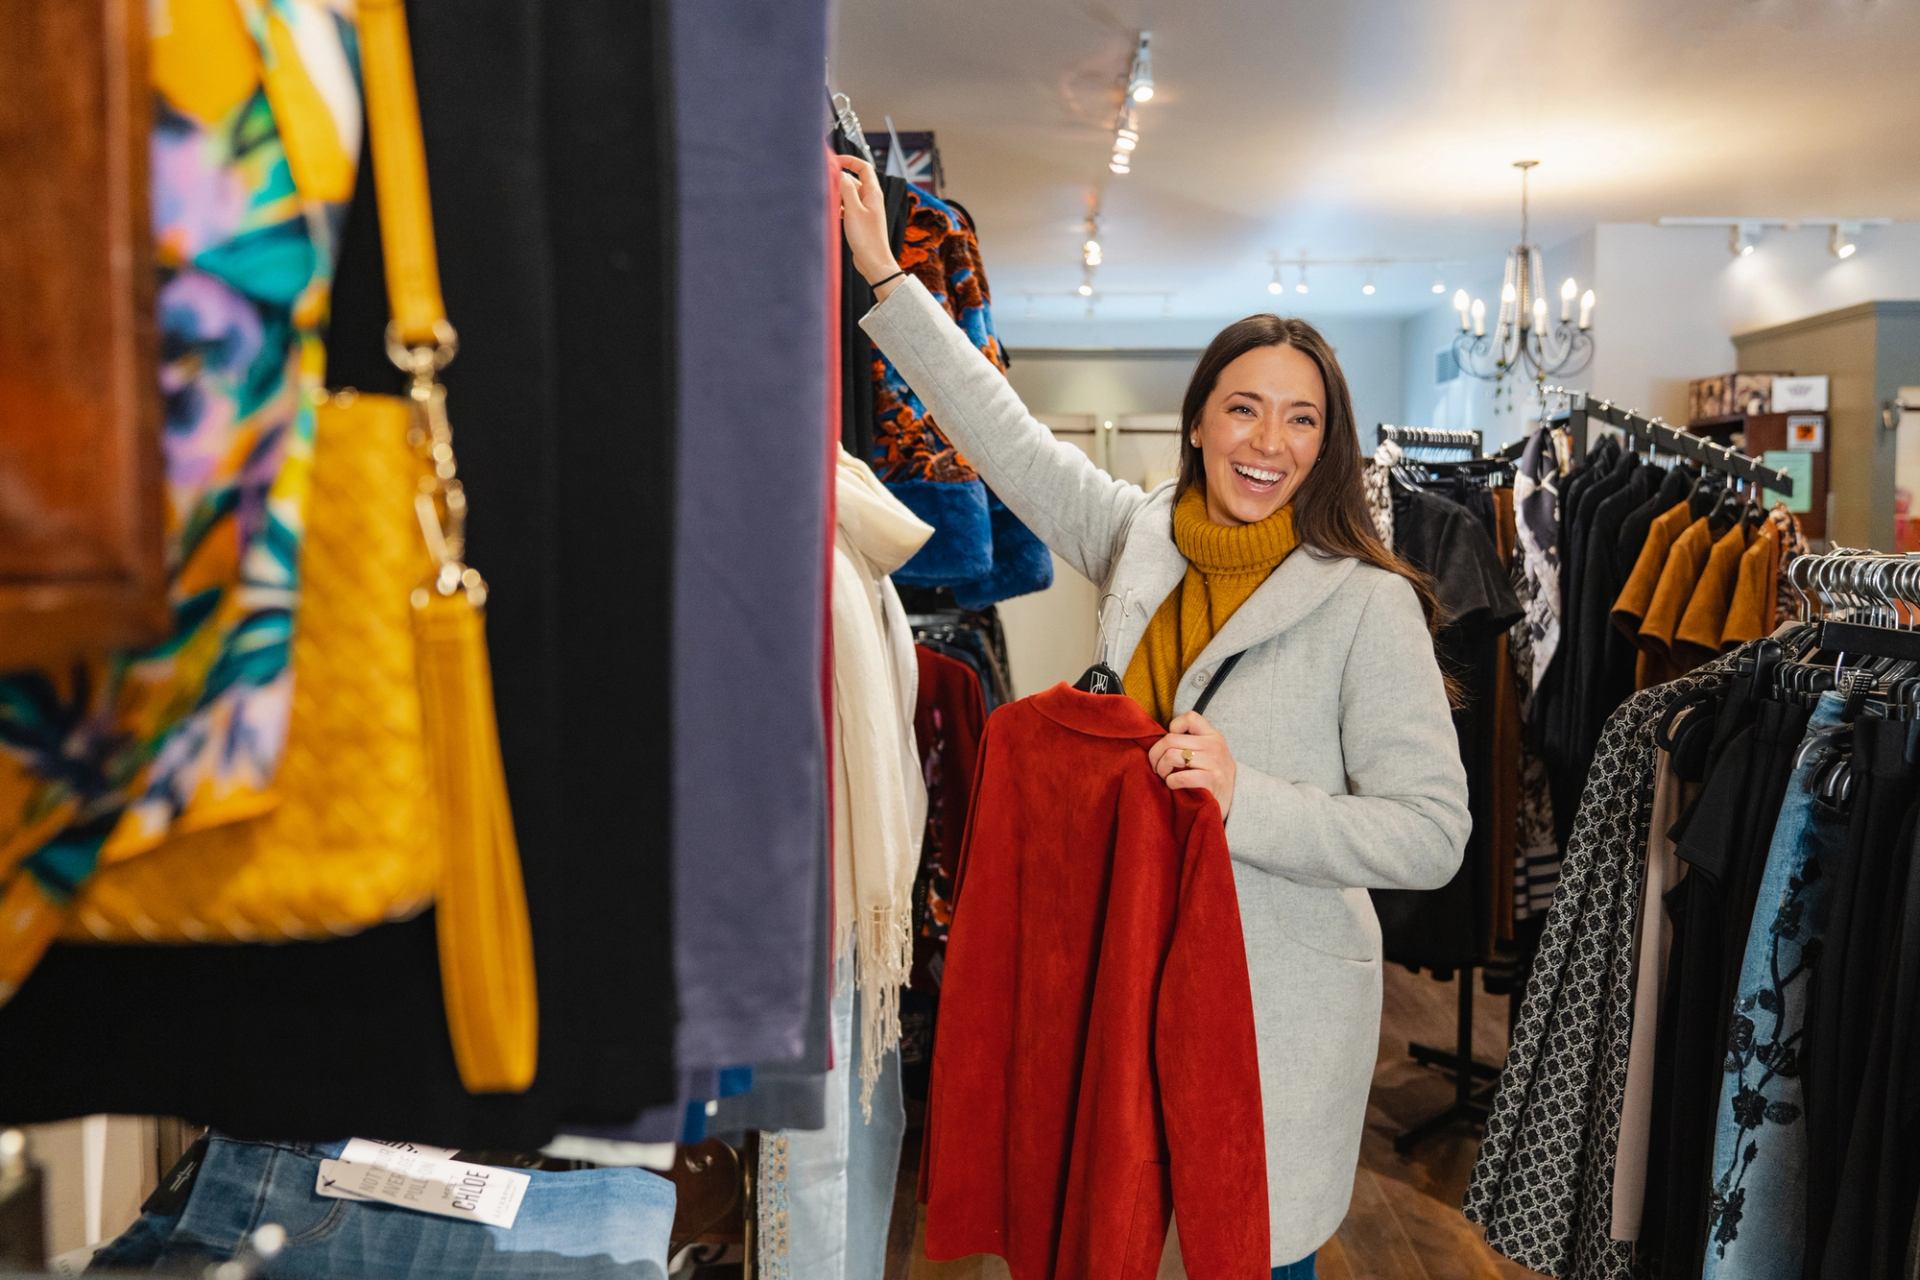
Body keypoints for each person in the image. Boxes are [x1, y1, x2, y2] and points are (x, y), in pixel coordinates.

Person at [837, 155, 1471, 1279]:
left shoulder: (1370, 603)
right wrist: (885, 273)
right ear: (1198, 423)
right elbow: (1008, 440)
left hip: (1274, 998)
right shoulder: (1140, 535)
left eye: (1301, 419)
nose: (1268, 444)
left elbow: (1431, 832)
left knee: (1250, 1244)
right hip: (1118, 953)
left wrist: (1246, 800)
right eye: (1244, 408)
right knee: (1119, 1228)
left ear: (1327, 442)